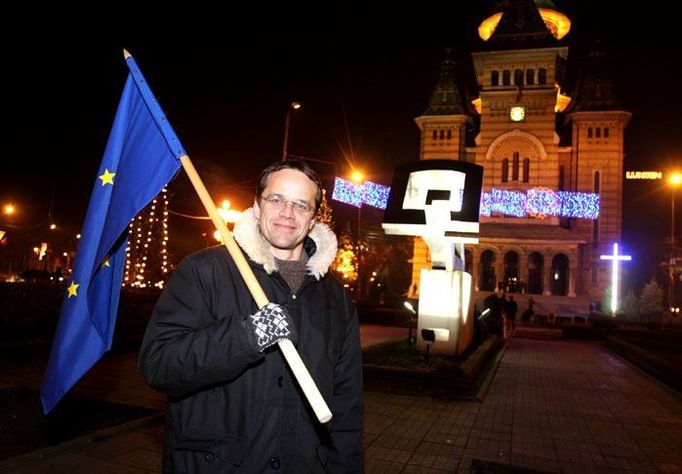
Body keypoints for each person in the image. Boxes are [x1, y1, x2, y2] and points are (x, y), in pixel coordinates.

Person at [139, 159, 364, 473]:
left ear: (314, 219)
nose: (288, 213)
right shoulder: (205, 271)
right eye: (276, 199)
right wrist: (246, 336)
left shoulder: (335, 298)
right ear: (257, 206)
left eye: (302, 205)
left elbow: (347, 404)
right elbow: (159, 364)